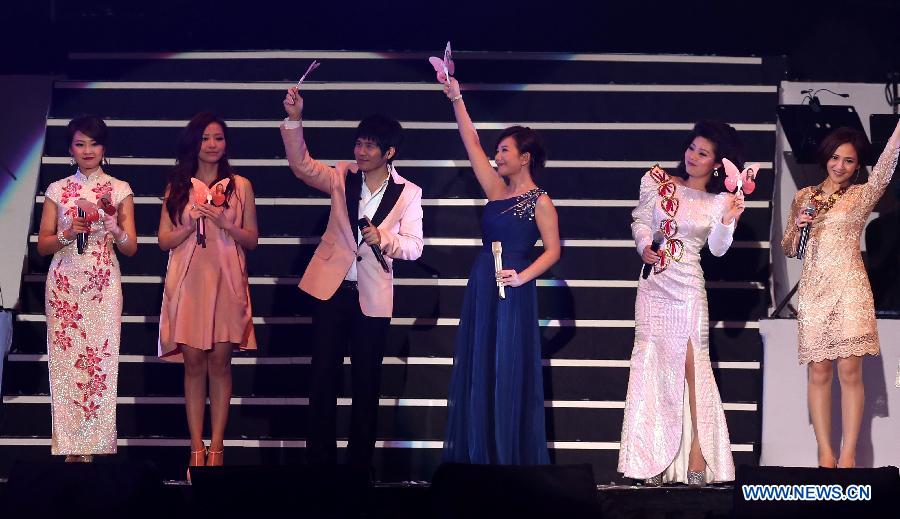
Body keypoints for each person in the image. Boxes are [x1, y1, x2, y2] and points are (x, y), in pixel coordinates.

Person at [281, 86, 424, 476]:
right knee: (323, 378)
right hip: (331, 291)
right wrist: (295, 120)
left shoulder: (409, 193)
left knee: (366, 383)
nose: (361, 151)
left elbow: (414, 247)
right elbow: (303, 166)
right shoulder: (342, 174)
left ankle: (359, 468)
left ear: (388, 153)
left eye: (370, 146)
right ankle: (319, 465)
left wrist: (386, 238)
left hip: (372, 297)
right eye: (359, 143)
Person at [437, 71, 561, 465]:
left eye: (505, 150)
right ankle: (481, 456)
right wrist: (456, 97)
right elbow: (470, 142)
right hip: (482, 284)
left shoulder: (541, 200)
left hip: (515, 290)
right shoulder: (495, 190)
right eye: (498, 150)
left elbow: (554, 251)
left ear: (525, 157)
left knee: (507, 368)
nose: (498, 156)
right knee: (480, 367)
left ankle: (510, 460)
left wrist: (522, 276)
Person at [618, 121, 746, 486]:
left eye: (703, 153)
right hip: (654, 288)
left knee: (694, 370)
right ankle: (650, 460)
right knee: (652, 367)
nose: (692, 156)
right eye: (692, 148)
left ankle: (698, 457)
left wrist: (727, 219)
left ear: (717, 163)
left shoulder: (723, 200)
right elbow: (641, 220)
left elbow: (719, 249)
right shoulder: (657, 183)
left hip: (688, 289)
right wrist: (644, 246)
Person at [781, 120, 900, 468]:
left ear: (856, 164)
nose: (840, 166)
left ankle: (848, 456)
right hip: (815, 293)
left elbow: (886, 166)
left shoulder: (862, 194)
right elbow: (789, 247)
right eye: (835, 158)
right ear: (825, 158)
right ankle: (825, 453)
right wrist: (800, 225)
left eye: (848, 160)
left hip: (850, 290)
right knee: (819, 371)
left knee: (850, 372)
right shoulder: (805, 196)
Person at [158, 112, 258, 475]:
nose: (212, 145)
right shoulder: (178, 185)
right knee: (194, 363)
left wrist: (224, 222)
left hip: (226, 280)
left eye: (218, 138)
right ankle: (195, 448)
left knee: (220, 362)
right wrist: (189, 223)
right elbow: (163, 239)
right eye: (205, 138)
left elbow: (252, 239)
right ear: (193, 143)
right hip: (189, 281)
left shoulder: (240, 186)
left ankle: (217, 448)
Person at [37, 115, 137, 462]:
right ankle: (69, 448)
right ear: (70, 149)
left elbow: (131, 247)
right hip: (65, 284)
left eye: (94, 144)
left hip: (103, 283)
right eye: (80, 144)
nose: (87, 150)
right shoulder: (57, 189)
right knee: (66, 364)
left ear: (104, 147)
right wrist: (67, 232)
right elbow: (43, 244)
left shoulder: (120, 189)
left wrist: (115, 227)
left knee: (100, 364)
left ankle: (94, 446)